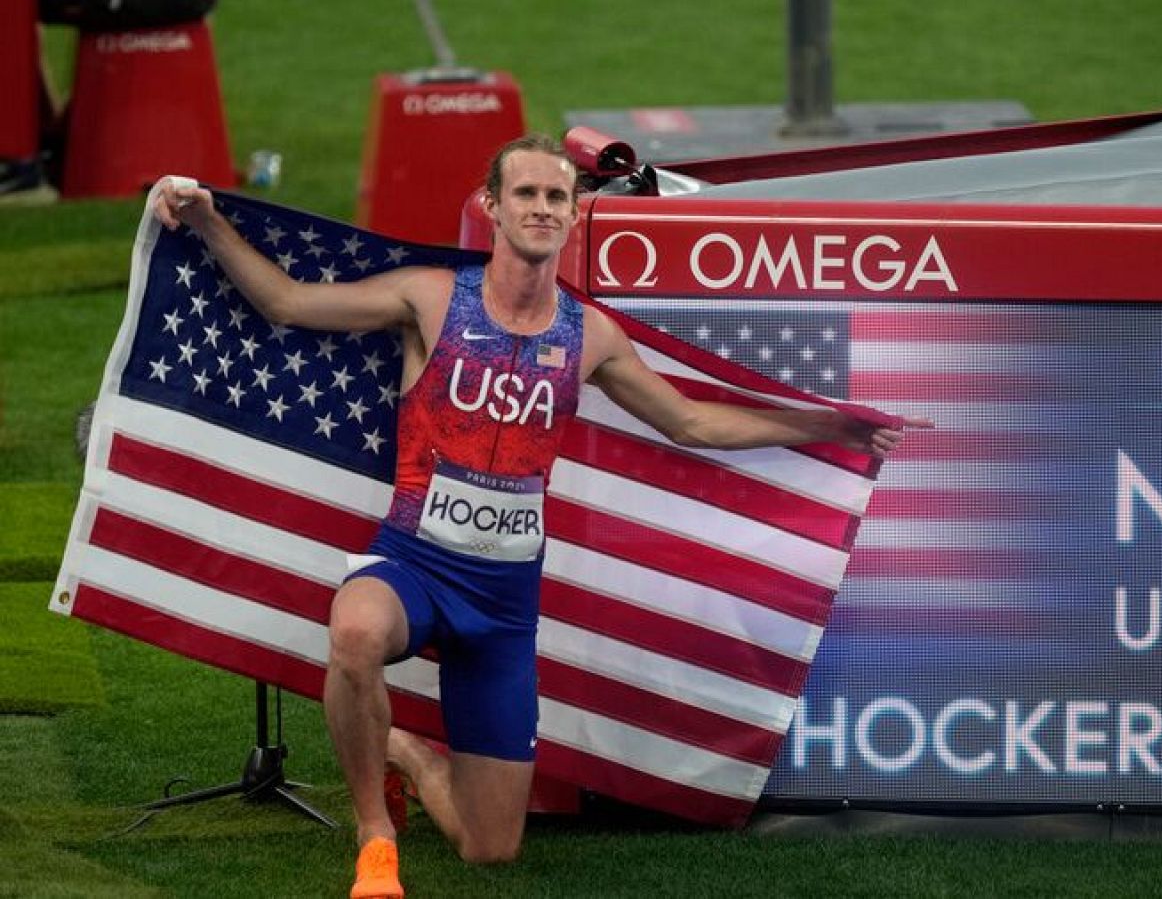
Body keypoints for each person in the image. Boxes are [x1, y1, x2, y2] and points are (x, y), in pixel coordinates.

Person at [154, 133, 928, 899]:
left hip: (501, 606)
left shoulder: (588, 334)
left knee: (491, 849)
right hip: (415, 563)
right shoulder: (429, 298)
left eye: (556, 196)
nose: (542, 208)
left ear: (572, 215)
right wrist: (210, 218)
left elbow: (693, 424)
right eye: (525, 193)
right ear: (492, 206)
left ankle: (411, 756)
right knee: (355, 633)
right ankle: (375, 838)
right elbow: (288, 302)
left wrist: (830, 425)